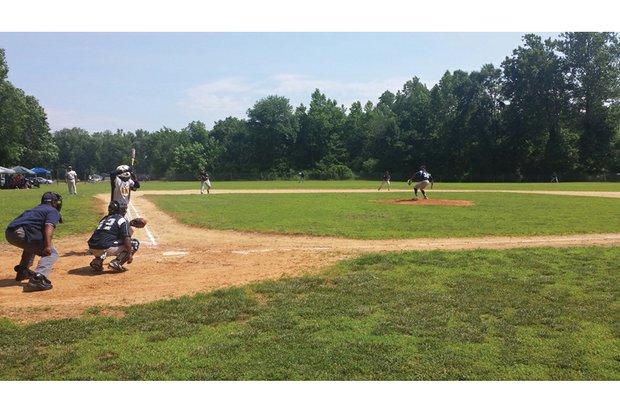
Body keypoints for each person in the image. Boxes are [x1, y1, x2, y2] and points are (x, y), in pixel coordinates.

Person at [4, 192, 63, 291]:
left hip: (9, 233)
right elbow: (48, 226)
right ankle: (38, 279)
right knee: (52, 252)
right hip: (21, 233)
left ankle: (23, 271)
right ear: (53, 202)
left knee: (32, 244)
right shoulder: (52, 211)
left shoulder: (35, 208)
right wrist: (47, 246)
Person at [87, 200, 140, 273]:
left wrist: (130, 224)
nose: (124, 211)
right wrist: (129, 254)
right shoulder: (121, 219)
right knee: (134, 243)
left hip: (92, 247)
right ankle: (116, 263)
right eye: (123, 209)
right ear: (118, 210)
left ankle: (97, 261)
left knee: (105, 239)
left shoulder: (104, 219)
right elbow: (126, 237)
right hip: (104, 247)